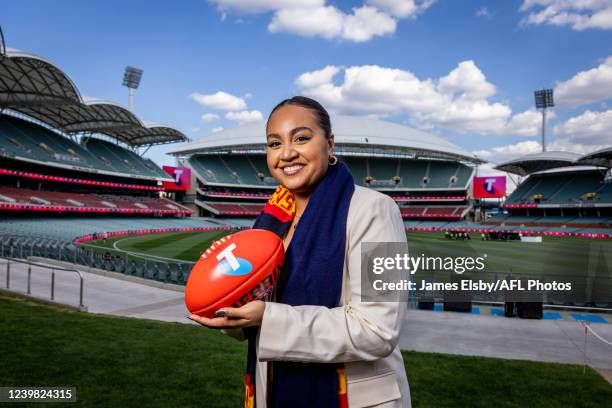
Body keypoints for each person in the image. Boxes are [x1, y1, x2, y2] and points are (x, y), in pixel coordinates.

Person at [189, 96, 410, 407]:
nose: (287, 153)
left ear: (329, 144)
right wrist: (224, 298)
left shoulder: (378, 210)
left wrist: (268, 317)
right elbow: (253, 322)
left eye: (302, 138)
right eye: (274, 143)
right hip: (276, 392)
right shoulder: (269, 222)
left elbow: (378, 330)